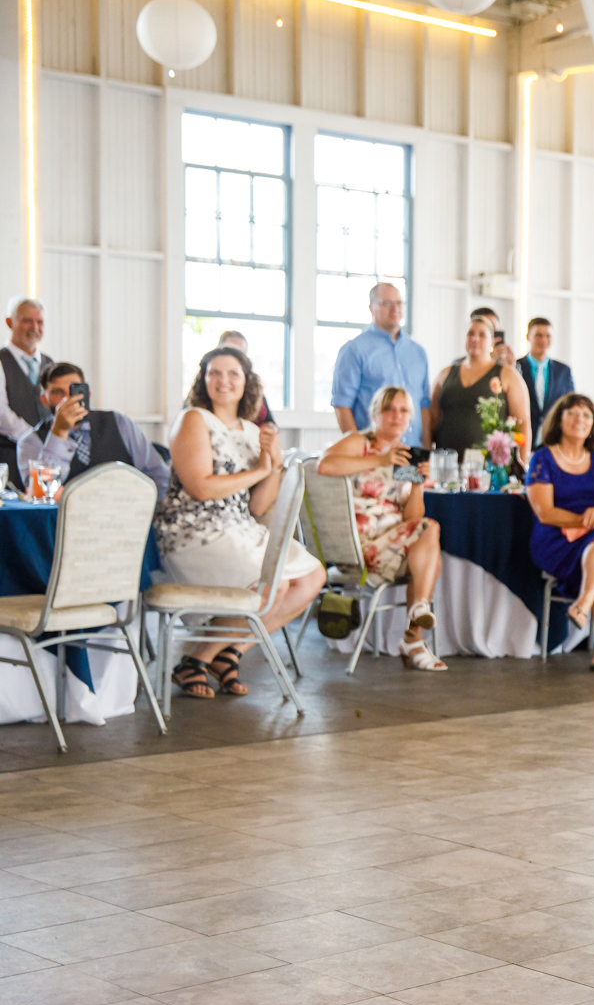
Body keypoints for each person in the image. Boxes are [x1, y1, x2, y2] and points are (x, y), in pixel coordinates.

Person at [155, 347, 325, 700]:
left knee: (313, 577)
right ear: (203, 380)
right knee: (272, 583)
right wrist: (260, 469)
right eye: (214, 373)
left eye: (233, 373)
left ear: (247, 381)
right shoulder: (193, 420)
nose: (223, 381)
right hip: (194, 530)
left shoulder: (252, 430)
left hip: (240, 527)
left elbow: (259, 503)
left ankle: (228, 653)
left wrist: (272, 463)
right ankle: (198, 659)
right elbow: (200, 488)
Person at [316, 385, 446, 672]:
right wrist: (380, 459)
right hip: (357, 544)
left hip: (393, 540)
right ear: (375, 414)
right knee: (429, 554)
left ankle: (417, 616)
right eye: (389, 409)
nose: (396, 416)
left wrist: (417, 485)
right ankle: (414, 634)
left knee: (428, 535)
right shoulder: (360, 442)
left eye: (403, 411)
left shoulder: (405, 455)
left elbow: (413, 517)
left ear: (410, 418)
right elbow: (323, 465)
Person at [527, 394, 594, 673]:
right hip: (555, 540)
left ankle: (584, 606)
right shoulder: (543, 458)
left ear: (593, 424)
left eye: (586, 415)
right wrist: (589, 520)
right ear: (559, 419)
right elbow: (545, 512)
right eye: (572, 413)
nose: (579, 420)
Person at [16, 361, 170, 497]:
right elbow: (42, 494)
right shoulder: (30, 442)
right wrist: (59, 432)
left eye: (75, 390)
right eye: (58, 392)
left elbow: (158, 474)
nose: (67, 399)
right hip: (62, 525)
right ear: (44, 399)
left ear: (88, 394)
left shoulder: (119, 422)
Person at [331, 283, 432, 446]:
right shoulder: (354, 350)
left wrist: (426, 449)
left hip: (413, 452)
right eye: (386, 303)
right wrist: (359, 449)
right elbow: (341, 405)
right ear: (371, 308)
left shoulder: (418, 352)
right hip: (374, 454)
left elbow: (424, 405)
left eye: (399, 303)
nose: (395, 309)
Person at [429, 317, 529, 455]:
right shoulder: (445, 374)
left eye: (482, 335)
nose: (475, 338)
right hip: (447, 460)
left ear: (492, 341)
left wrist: (522, 467)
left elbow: (523, 424)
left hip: (489, 464)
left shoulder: (507, 374)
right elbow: (431, 421)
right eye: (470, 334)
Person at [0, 297, 50, 484]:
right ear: (9, 322)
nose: (34, 328)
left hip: (45, 460)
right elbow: (2, 415)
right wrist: (34, 439)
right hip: (8, 459)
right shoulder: (1, 360)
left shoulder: (49, 363)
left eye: (40, 322)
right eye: (27, 320)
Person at [520, 317, 575, 445]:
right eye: (538, 335)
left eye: (548, 336)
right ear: (528, 336)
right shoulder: (516, 367)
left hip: (553, 438)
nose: (544, 340)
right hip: (522, 437)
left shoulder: (563, 371)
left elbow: (571, 404)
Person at [214, 331, 277, 427]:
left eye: (241, 352)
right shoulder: (208, 384)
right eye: (230, 350)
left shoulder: (255, 388)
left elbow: (271, 423)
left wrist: (270, 431)